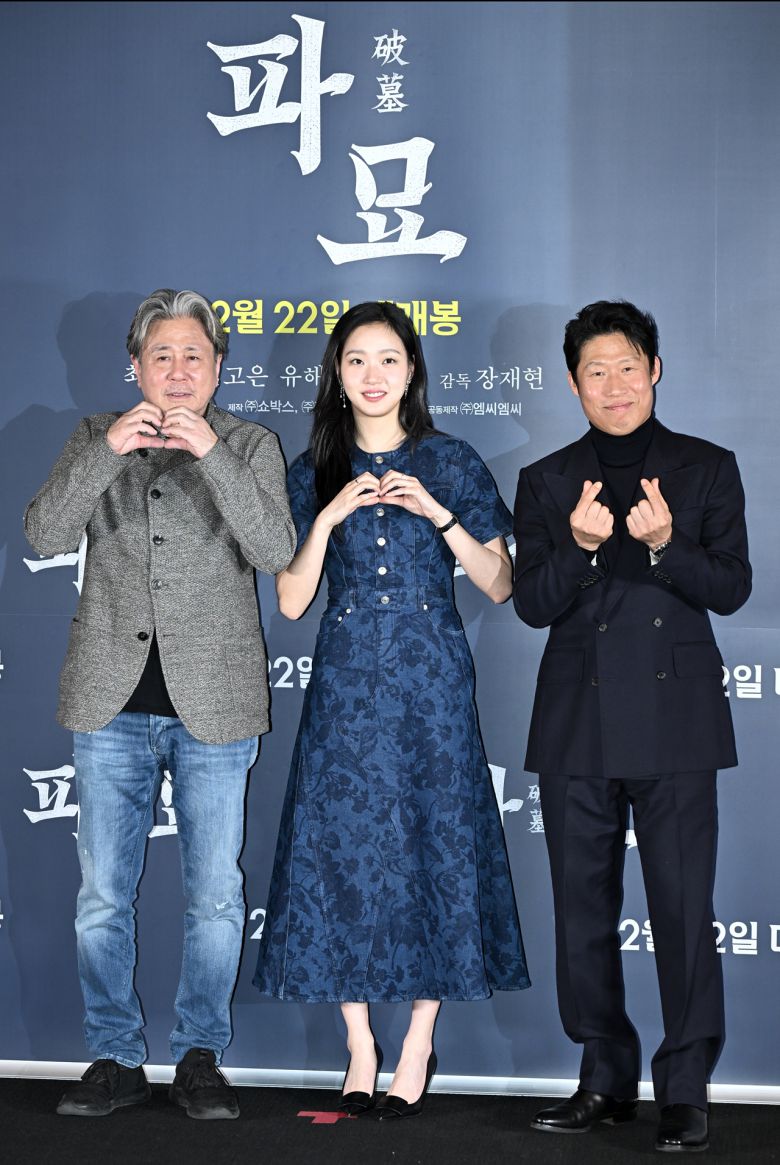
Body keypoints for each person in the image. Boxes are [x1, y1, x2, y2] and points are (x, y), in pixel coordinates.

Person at [253, 301, 530, 1118]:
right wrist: (329, 517)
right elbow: (292, 600)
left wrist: (439, 515)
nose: (372, 375)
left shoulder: (451, 459)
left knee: (435, 841)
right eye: (356, 360)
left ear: (412, 371)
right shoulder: (311, 467)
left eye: (388, 359)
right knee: (337, 850)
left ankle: (417, 1042)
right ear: (336, 376)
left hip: (431, 679)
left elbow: (500, 584)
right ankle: (359, 1044)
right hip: (344, 679)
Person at [24, 289, 295, 1120]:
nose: (178, 372)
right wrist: (108, 450)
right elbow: (44, 533)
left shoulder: (249, 443)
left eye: (194, 357)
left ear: (218, 369)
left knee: (215, 894)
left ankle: (201, 1054)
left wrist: (211, 452)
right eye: (162, 356)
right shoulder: (92, 436)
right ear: (134, 367)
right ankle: (113, 1054)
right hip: (110, 704)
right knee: (103, 896)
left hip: (215, 704)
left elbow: (275, 548)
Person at [513, 300, 751, 1153]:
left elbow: (732, 587)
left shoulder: (707, 467)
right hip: (577, 720)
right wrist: (578, 548)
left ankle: (685, 1086)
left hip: (676, 720)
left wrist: (667, 545)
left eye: (626, 366)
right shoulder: (546, 480)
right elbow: (532, 605)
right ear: (573, 383)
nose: (614, 385)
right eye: (595, 371)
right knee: (580, 910)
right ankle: (604, 1075)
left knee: (683, 909)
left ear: (654, 369)